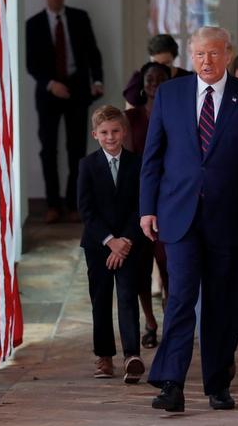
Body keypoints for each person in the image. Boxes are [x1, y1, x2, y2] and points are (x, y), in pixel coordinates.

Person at [141, 26, 238, 412]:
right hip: (179, 214)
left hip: (231, 216)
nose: (206, 61)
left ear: (228, 54)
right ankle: (171, 384)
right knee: (180, 298)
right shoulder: (170, 94)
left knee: (223, 302)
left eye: (214, 53)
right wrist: (147, 208)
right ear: (191, 55)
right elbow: (152, 156)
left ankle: (218, 384)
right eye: (200, 54)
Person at [27, 0, 104, 224]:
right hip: (48, 93)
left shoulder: (79, 18)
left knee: (77, 150)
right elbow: (30, 63)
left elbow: (93, 52)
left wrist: (97, 81)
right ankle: (52, 205)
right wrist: (51, 85)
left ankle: (73, 204)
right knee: (48, 150)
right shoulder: (33, 24)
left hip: (77, 90)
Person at [77, 105, 146, 383]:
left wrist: (125, 240)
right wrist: (110, 241)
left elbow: (141, 205)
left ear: (124, 132)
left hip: (129, 245)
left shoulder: (137, 164)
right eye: (104, 132)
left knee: (128, 296)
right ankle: (104, 356)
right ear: (95, 134)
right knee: (101, 299)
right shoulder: (87, 165)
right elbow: (86, 209)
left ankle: (132, 355)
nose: (110, 137)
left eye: (115, 131)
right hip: (98, 246)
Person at [124, 62, 170, 349]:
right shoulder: (131, 117)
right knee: (141, 267)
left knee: (168, 265)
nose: (154, 83)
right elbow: (129, 159)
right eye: (149, 78)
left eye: (160, 78)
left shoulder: (176, 113)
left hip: (169, 198)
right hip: (139, 198)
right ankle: (150, 322)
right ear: (142, 83)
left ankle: (171, 321)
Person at [123, 34, 191, 107]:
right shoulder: (138, 79)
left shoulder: (188, 79)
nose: (160, 68)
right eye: (155, 63)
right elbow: (130, 110)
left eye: (165, 63)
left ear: (173, 59)